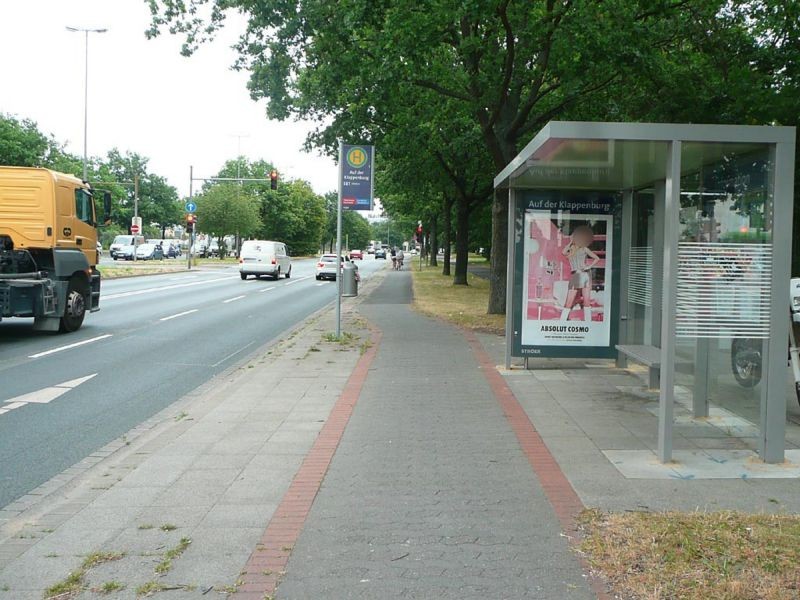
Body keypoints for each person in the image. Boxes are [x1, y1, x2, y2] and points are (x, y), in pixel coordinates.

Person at [561, 224, 599, 320]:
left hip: (585, 274)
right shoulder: (571, 249)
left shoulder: (584, 248)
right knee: (569, 302)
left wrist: (588, 266)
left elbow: (596, 258)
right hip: (575, 275)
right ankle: (562, 322)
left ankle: (588, 323)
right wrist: (570, 242)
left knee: (586, 301)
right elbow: (563, 252)